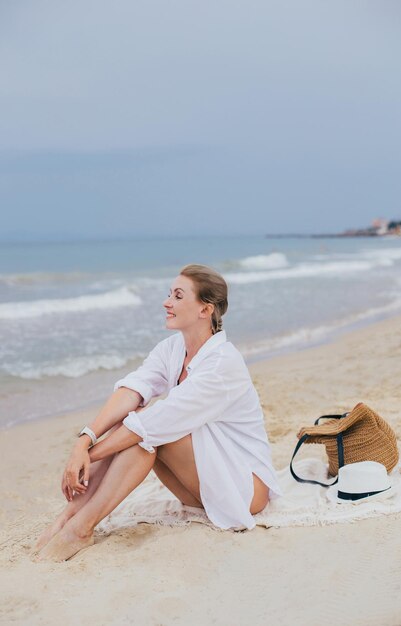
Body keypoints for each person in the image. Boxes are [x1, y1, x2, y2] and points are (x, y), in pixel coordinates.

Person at [35, 264, 282, 561]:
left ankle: (81, 528)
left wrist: (89, 456)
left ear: (205, 310)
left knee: (144, 434)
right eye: (169, 294)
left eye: (178, 296)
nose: (167, 302)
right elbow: (132, 391)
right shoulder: (171, 349)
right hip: (202, 485)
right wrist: (84, 441)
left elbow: (153, 424)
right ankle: (69, 518)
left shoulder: (221, 364)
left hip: (244, 489)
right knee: (136, 420)